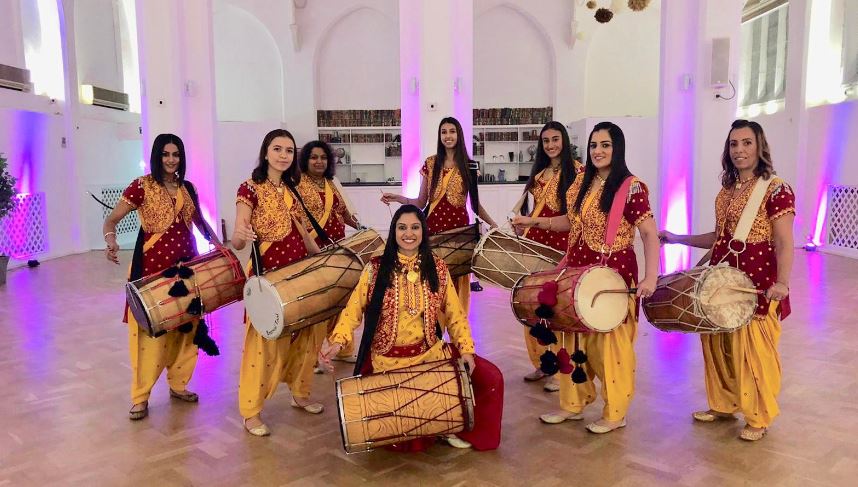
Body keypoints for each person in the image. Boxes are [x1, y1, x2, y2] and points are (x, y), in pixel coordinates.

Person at [512, 121, 660, 434]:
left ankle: (615, 411)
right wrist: (534, 222)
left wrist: (651, 277)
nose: (598, 151)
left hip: (612, 275)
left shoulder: (631, 187)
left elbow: (648, 233)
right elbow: (570, 222)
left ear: (617, 149)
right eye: (594, 145)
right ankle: (573, 405)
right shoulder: (581, 182)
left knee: (609, 347)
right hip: (576, 270)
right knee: (571, 338)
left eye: (605, 145)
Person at [321, 205, 504, 451]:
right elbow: (353, 310)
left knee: (491, 377)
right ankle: (441, 423)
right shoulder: (375, 269)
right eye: (402, 227)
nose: (409, 233)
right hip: (389, 363)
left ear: (423, 232)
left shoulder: (437, 267)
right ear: (394, 231)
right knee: (408, 442)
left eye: (415, 227)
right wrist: (337, 341)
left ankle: (459, 427)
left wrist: (467, 350)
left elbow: (454, 313)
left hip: (430, 357)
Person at [659, 119, 794, 441]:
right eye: (734, 144)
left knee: (753, 349)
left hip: (757, 280)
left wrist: (783, 283)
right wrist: (679, 239)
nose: (739, 150)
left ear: (760, 147)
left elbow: (785, 242)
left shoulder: (777, 189)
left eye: (746, 143)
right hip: (720, 278)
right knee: (718, 343)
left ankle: (759, 416)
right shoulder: (726, 191)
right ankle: (723, 404)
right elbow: (721, 238)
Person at [104, 133, 217, 420]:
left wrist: (218, 248)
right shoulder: (141, 186)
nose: (171, 160)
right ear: (157, 156)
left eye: (175, 154)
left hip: (186, 268)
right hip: (152, 270)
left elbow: (199, 223)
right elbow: (112, 219)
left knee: (187, 329)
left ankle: (179, 384)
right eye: (166, 154)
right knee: (150, 333)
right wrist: (111, 240)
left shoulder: (187, 187)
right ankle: (141, 396)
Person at [232, 129, 326, 437]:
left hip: (297, 272)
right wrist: (241, 236)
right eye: (277, 149)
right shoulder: (249, 188)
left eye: (288, 150)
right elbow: (237, 239)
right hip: (267, 273)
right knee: (264, 344)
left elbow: (301, 231)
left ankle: (300, 394)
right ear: (265, 152)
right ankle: (251, 412)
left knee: (306, 335)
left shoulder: (293, 188)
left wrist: (323, 256)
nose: (283, 155)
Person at [381, 117, 498, 311]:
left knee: (458, 282)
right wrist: (397, 197)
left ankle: (458, 332)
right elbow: (420, 202)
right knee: (434, 282)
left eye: (452, 131)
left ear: (459, 134)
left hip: (460, 233)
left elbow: (475, 205)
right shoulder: (431, 163)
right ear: (440, 136)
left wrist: (494, 226)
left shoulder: (469, 166)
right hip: (434, 230)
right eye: (444, 132)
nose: (448, 136)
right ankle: (434, 332)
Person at [516, 121, 580, 392]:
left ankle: (561, 366)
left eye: (555, 139)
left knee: (556, 306)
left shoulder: (577, 171)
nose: (551, 145)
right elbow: (533, 210)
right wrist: (522, 224)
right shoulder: (539, 173)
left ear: (564, 141)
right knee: (532, 304)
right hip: (536, 242)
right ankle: (543, 362)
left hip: (562, 242)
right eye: (546, 141)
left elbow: (577, 215)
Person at [296, 140, 361, 364]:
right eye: (314, 157)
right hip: (312, 250)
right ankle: (312, 357)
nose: (319, 161)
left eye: (323, 157)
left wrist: (359, 226)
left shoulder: (332, 183)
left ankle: (341, 347)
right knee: (317, 303)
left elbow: (342, 212)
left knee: (340, 298)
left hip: (337, 247)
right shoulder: (297, 185)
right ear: (305, 160)